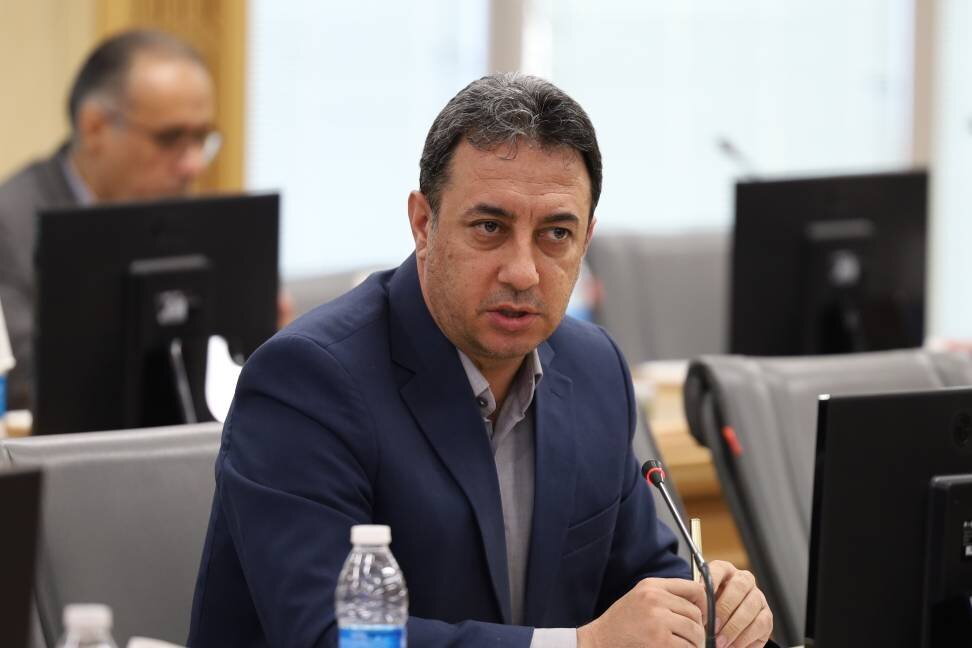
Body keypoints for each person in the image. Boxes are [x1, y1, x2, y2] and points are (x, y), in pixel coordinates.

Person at [189, 73, 774, 648]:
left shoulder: (593, 368)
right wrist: (580, 647)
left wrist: (714, 612)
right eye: (490, 227)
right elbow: (329, 636)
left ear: (586, 240)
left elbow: (641, 584)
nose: (523, 272)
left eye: (556, 234)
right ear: (424, 224)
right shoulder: (306, 381)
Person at [0, 29, 219, 410]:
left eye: (202, 138)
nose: (193, 165)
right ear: (95, 127)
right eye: (170, 139)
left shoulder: (182, 220)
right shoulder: (11, 221)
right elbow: (21, 381)